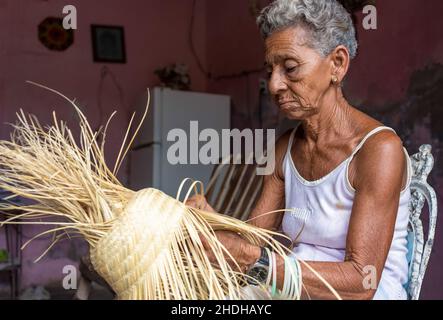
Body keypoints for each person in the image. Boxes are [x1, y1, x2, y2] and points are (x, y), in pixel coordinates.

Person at [187, 0, 411, 300]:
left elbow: (361, 283)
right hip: (296, 285)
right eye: (270, 70)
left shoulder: (379, 150)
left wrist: (255, 260)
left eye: (290, 68)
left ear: (337, 64)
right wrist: (211, 223)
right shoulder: (285, 148)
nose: (274, 84)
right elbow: (254, 240)